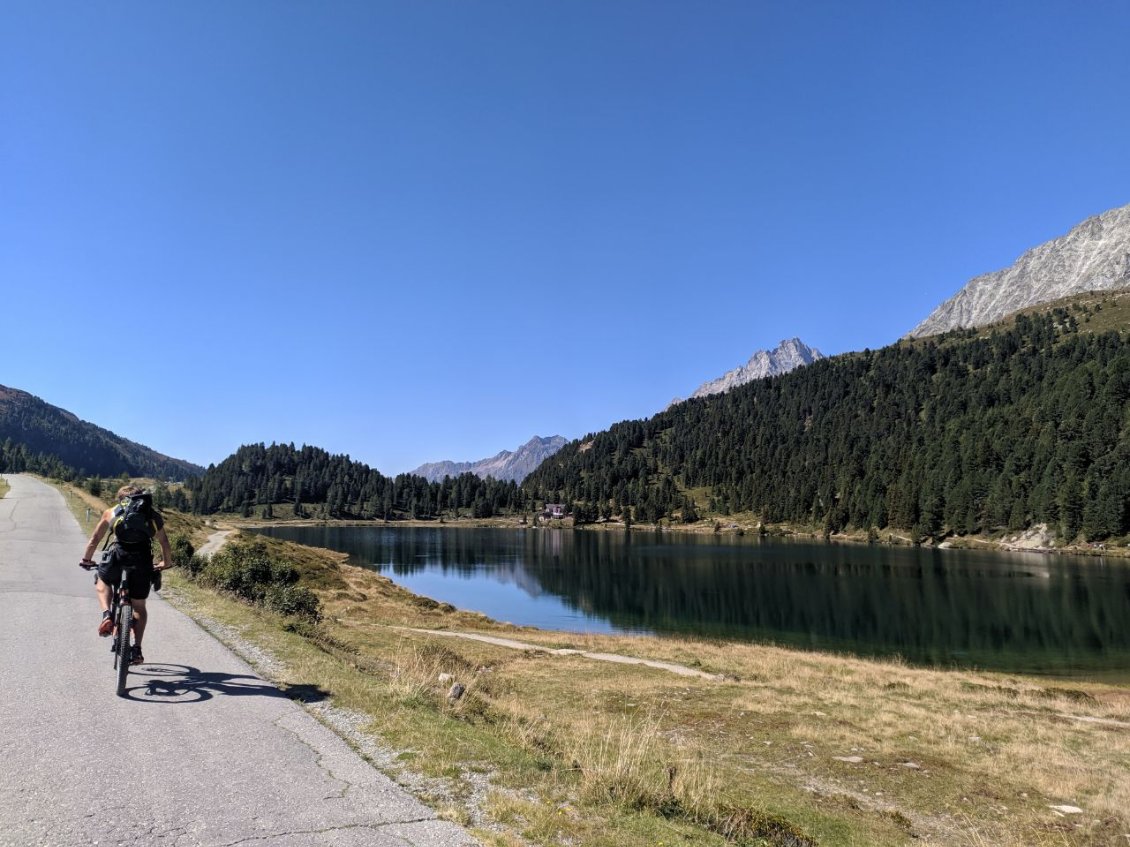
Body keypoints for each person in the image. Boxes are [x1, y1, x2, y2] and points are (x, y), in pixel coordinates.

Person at [80, 484, 174, 665]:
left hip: (117, 558)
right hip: (142, 562)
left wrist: (86, 559)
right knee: (139, 606)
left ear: (121, 499)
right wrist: (166, 563)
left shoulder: (112, 512)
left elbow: (94, 540)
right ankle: (137, 649)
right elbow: (164, 542)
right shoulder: (152, 515)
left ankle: (107, 614)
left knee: (102, 580)